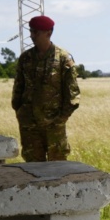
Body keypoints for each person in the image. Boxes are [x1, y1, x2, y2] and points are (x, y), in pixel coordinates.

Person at [12, 15, 80, 161]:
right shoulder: (26, 58)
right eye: (31, 31)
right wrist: (19, 111)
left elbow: (72, 93)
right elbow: (18, 87)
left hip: (54, 124)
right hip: (29, 124)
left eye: (36, 32)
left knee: (58, 165)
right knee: (33, 165)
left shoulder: (63, 58)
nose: (31, 36)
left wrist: (61, 119)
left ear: (48, 33)